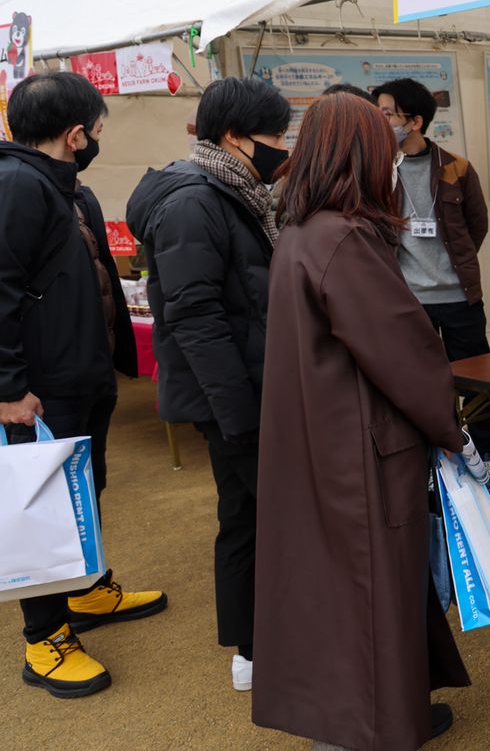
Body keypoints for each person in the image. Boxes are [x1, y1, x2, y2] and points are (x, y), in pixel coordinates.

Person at [253, 92, 469, 751]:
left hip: (318, 437)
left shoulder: (301, 230)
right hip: (360, 446)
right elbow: (405, 351)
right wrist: (451, 430)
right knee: (374, 591)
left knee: (341, 591)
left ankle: (373, 714)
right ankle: (371, 726)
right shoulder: (344, 238)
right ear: (362, 157)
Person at [0, 72, 166, 698]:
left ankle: (87, 590)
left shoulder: (70, 189)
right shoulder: (16, 185)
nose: (96, 138)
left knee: (85, 488)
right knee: (42, 508)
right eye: (95, 130)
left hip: (80, 375)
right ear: (75, 134)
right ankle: (44, 638)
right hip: (37, 389)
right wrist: (9, 388)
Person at [127, 76, 290, 692]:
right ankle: (258, 648)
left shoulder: (228, 188)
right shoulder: (197, 200)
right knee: (259, 517)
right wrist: (241, 415)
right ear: (232, 136)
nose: (282, 145)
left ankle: (252, 648)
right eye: (273, 134)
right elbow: (195, 317)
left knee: (245, 515)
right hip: (235, 397)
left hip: (242, 389)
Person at [374, 78, 490, 488]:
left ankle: (488, 454)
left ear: (414, 121)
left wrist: (453, 268)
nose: (380, 118)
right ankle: (439, 462)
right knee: (424, 385)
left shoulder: (456, 168)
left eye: (387, 113)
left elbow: (477, 226)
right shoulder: (377, 170)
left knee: (477, 382)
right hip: (408, 301)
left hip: (460, 296)